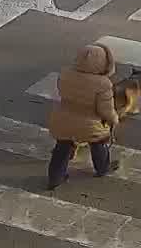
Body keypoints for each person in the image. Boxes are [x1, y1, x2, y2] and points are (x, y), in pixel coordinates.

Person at [46, 42, 120, 189]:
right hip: (89, 124)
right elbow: (105, 109)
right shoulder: (103, 84)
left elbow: (61, 92)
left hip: (63, 118)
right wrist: (114, 119)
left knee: (62, 148)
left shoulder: (65, 74)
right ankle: (102, 169)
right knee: (99, 144)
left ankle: (55, 178)